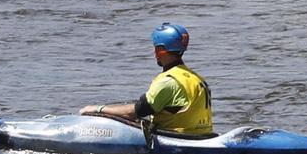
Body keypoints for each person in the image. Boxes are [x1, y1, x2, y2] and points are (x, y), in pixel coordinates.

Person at [80, 22, 214, 137]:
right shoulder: (197, 78)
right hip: (202, 136)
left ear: (160, 50)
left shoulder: (168, 81)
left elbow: (136, 112)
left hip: (177, 138)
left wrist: (98, 109)